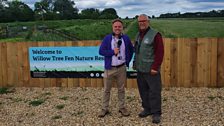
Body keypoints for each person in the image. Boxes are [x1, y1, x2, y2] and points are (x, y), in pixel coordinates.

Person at [98, 19, 134, 117]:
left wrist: (128, 60)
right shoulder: (107, 38)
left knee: (121, 89)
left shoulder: (126, 38)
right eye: (115, 27)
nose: (117, 28)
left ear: (122, 28)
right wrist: (112, 52)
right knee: (106, 90)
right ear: (112, 28)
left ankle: (122, 108)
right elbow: (101, 51)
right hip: (109, 68)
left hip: (121, 68)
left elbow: (131, 50)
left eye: (119, 27)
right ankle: (104, 109)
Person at [133, 14, 164, 124]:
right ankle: (147, 109)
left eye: (144, 21)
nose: (141, 23)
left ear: (148, 21)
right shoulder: (138, 35)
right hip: (140, 69)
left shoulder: (155, 35)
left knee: (154, 91)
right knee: (143, 90)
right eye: (140, 21)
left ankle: (156, 113)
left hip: (151, 70)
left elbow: (159, 53)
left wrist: (155, 67)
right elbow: (136, 51)